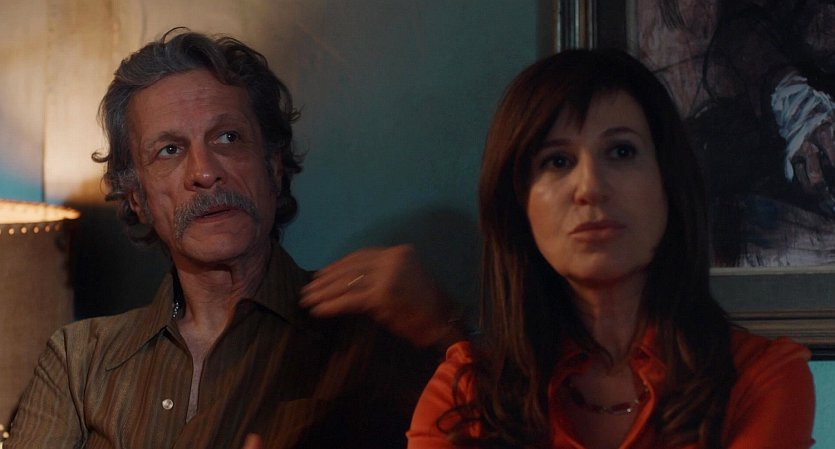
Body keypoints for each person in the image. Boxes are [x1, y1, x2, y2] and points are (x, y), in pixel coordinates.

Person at [6, 29, 459, 449]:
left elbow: (495, 421)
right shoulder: (79, 361)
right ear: (138, 198)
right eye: (169, 150)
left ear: (273, 167)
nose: (205, 172)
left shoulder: (366, 335)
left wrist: (443, 329)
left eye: (228, 137)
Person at [406, 49, 815, 449]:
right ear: (518, 203)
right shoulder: (466, 392)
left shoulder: (759, 377)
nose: (590, 187)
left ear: (668, 183)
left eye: (621, 151)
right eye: (557, 161)